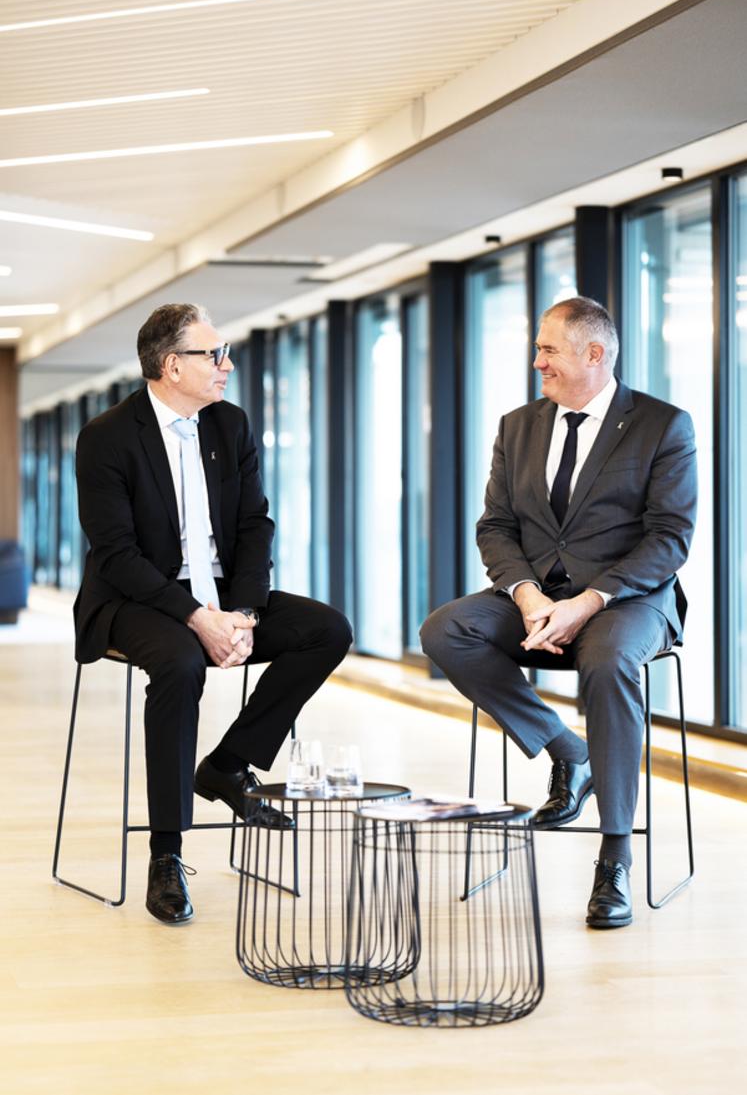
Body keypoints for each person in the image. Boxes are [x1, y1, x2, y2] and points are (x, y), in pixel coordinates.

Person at [420, 296, 696, 929]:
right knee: (446, 630)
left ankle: (615, 860)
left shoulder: (662, 425)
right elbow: (495, 526)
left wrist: (587, 602)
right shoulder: (518, 426)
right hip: (537, 598)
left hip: (626, 601)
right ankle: (570, 751)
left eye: (548, 349)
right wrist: (529, 596)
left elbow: (670, 538)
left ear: (593, 354)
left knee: (608, 659)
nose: (536, 360)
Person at [74, 303, 352, 925]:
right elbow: (115, 556)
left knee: (326, 628)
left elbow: (255, 523)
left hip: (225, 590)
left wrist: (245, 612)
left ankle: (227, 765)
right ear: (172, 366)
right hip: (135, 598)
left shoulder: (229, 425)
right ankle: (166, 854)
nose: (227, 364)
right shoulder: (107, 436)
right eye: (214, 353)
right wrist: (200, 618)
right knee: (178, 663)